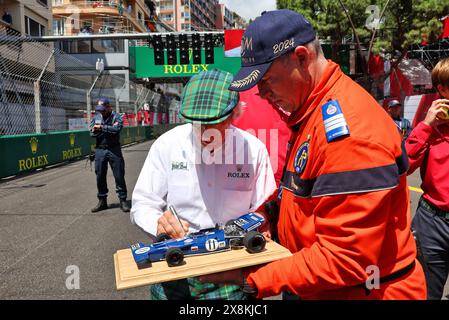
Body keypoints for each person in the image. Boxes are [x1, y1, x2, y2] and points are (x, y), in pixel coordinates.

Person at [200, 9, 426, 300]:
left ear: (302, 58)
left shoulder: (347, 132)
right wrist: (266, 217)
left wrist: (252, 278)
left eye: (267, 80)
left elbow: (345, 258)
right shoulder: (313, 111)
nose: (262, 94)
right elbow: (309, 197)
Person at [130, 69, 276, 300]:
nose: (205, 133)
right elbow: (143, 203)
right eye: (198, 124)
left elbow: (262, 208)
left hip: (231, 269)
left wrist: (263, 224)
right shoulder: (167, 145)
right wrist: (158, 224)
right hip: (176, 267)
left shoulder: (253, 150)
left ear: (234, 115)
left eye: (215, 123)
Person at [406, 57, 449, 300]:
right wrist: (426, 126)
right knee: (426, 294)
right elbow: (403, 165)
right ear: (442, 90)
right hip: (432, 224)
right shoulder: (429, 128)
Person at [90, 98, 130, 213]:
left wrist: (102, 128)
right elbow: (92, 132)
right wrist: (103, 129)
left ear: (108, 107)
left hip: (114, 149)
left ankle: (123, 200)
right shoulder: (96, 117)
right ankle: (102, 200)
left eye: (103, 109)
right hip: (100, 150)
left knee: (119, 175)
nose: (101, 112)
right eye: (99, 110)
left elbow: (116, 129)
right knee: (100, 175)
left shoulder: (116, 117)